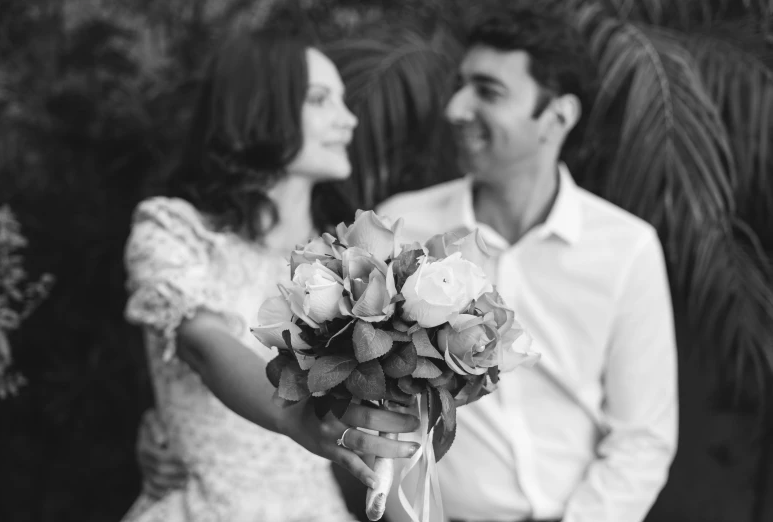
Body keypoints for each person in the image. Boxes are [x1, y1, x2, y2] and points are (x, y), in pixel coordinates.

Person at [377, 6, 678, 522]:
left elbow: (642, 439)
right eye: (461, 85)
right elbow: (385, 416)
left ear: (557, 116)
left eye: (488, 92)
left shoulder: (627, 247)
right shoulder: (402, 227)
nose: (455, 108)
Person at [121, 27, 419, 522]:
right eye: (320, 100)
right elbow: (202, 342)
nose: (348, 120)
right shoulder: (173, 228)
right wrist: (292, 416)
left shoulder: (353, 258)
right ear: (258, 108)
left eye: (344, 102)